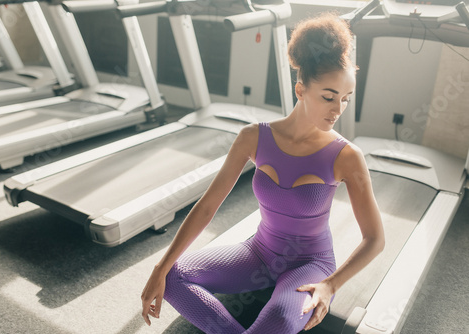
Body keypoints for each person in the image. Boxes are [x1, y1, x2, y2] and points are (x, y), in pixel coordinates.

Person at [141, 12, 384, 333]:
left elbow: (375, 239)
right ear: (300, 90)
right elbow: (208, 206)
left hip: (310, 264)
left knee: (280, 321)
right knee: (173, 276)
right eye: (328, 97)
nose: (338, 109)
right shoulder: (253, 137)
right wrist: (161, 266)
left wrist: (330, 285)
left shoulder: (347, 156)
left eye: (345, 99)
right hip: (257, 251)